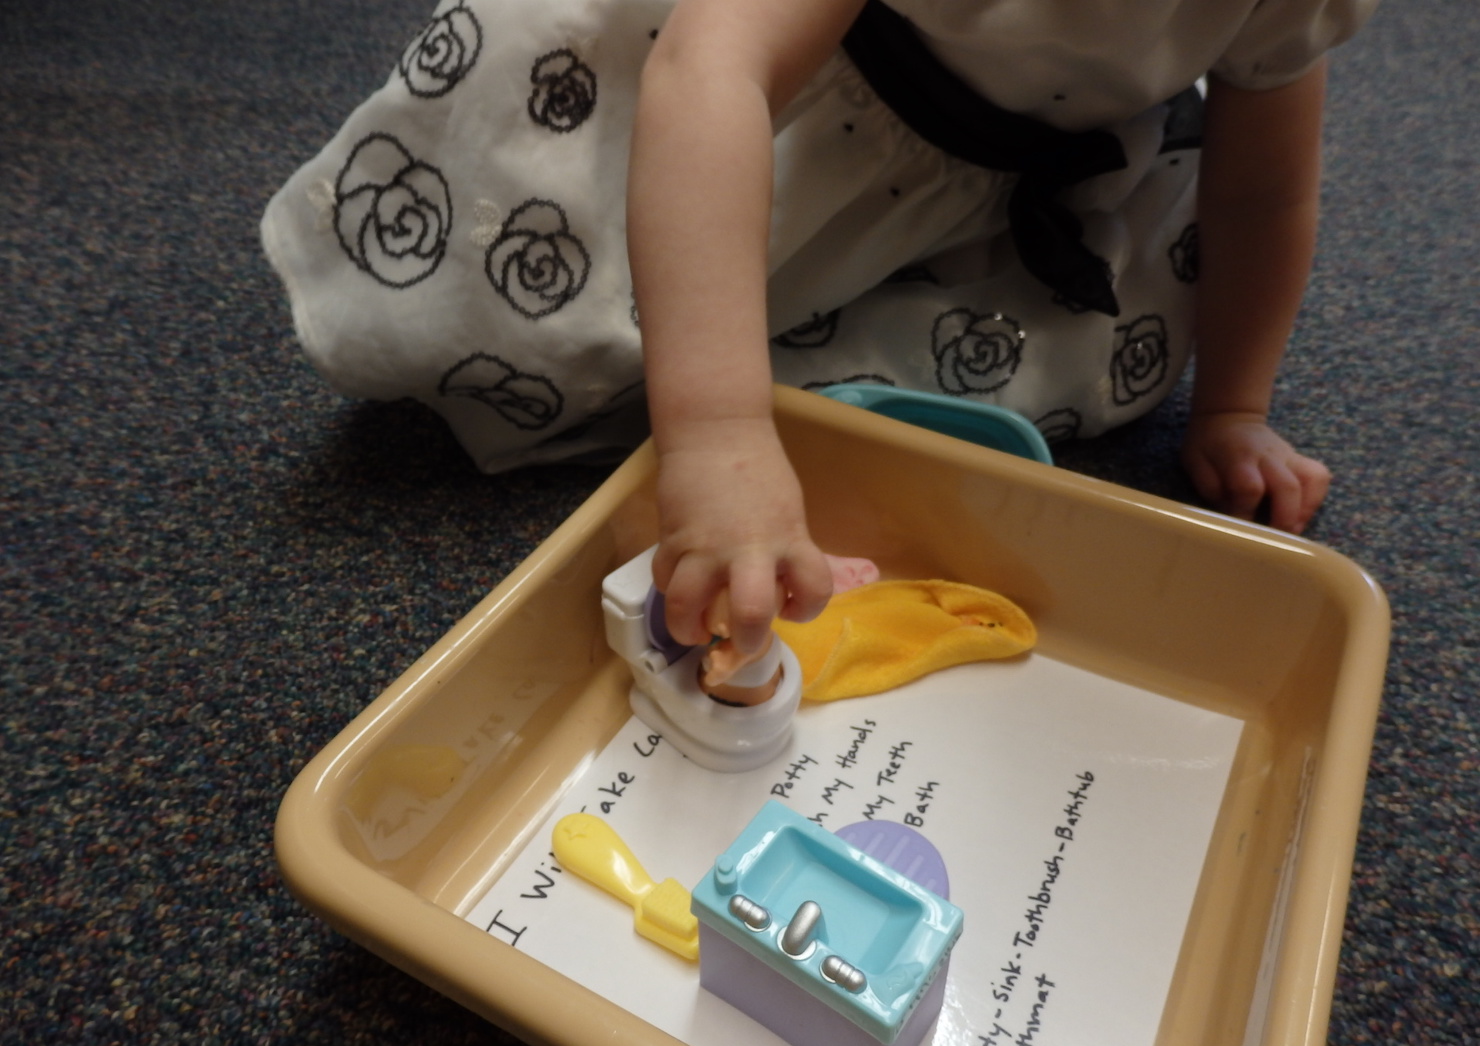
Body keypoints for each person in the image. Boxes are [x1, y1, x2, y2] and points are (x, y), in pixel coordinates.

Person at [262, 0, 1378, 664]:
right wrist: (717, 437)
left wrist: (1234, 403)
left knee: (1072, 367)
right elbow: (712, 72)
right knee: (520, 298)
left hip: (988, 171)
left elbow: (1261, 195)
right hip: (743, 89)